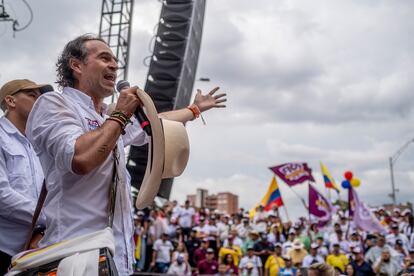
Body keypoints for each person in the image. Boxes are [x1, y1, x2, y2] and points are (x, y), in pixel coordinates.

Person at [24, 34, 226, 275]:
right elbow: (81, 159)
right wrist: (120, 114)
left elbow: (155, 123)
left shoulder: (106, 118)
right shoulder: (54, 104)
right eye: (104, 58)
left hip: (115, 258)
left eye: (115, 61)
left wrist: (193, 110)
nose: (114, 65)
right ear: (76, 65)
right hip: (74, 255)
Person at [0, 79, 52, 274]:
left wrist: (42, 230)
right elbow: (2, 196)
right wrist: (49, 218)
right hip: (5, 248)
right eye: (32, 96)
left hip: (34, 249)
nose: (39, 102)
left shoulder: (38, 144)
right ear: (11, 101)